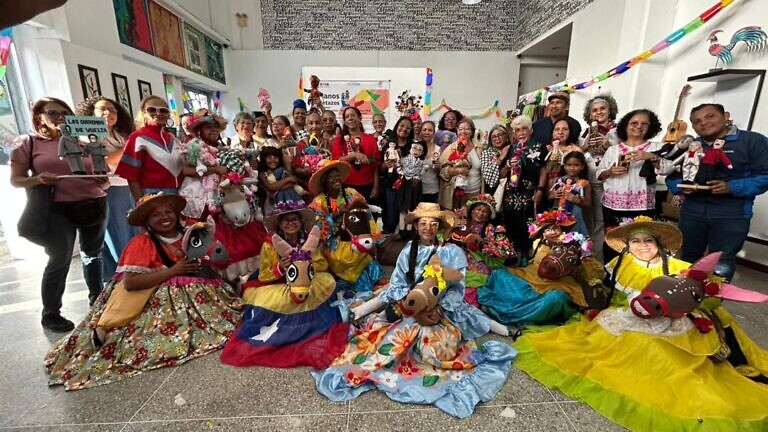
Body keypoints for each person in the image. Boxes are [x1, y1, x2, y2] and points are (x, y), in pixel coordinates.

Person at [513, 217, 768, 430]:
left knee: (668, 355)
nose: (642, 246)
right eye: (636, 241)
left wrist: (699, 299)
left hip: (675, 321)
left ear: (658, 244)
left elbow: (705, 297)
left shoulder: (679, 267)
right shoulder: (620, 263)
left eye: (648, 241)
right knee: (633, 345)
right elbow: (602, 288)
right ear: (628, 245)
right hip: (627, 314)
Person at [314, 202, 515, 419]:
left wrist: (439, 307)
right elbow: (398, 283)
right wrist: (411, 304)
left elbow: (458, 287)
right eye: (423, 223)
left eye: (433, 224)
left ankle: (502, 332)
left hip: (440, 308)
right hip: (411, 306)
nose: (428, 228)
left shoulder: (453, 252)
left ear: (439, 228)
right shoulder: (409, 250)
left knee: (438, 343)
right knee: (393, 340)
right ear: (417, 227)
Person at [44, 193, 242, 389]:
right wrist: (173, 271)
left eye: (168, 212)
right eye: (156, 214)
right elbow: (130, 283)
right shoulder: (141, 244)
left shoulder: (190, 231)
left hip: (198, 293)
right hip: (154, 298)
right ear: (146, 220)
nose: (164, 217)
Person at [10, 97, 109, 332]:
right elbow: (16, 180)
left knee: (93, 255)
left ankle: (97, 299)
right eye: (53, 113)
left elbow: (103, 179)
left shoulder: (85, 142)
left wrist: (102, 180)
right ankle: (51, 312)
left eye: (65, 113)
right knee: (59, 257)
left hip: (94, 203)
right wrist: (38, 179)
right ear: (39, 117)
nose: (60, 117)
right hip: (57, 208)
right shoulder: (28, 143)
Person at [219, 200, 347, 369]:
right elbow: (264, 274)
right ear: (279, 224)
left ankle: (309, 326)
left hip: (306, 281)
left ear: (301, 222)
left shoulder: (308, 241)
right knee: (279, 302)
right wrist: (280, 267)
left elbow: (322, 264)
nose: (291, 223)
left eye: (295, 219)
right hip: (276, 283)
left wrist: (305, 264)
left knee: (325, 284)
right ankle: (287, 333)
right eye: (286, 220)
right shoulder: (269, 244)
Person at [670, 104, 768, 281]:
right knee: (687, 258)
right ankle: (685, 296)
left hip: (732, 213)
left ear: (725, 116)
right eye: (697, 121)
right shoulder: (691, 145)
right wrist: (681, 186)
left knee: (721, 262)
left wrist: (733, 187)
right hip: (692, 211)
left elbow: (765, 175)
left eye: (710, 116)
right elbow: (672, 173)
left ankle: (714, 297)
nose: (704, 123)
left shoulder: (753, 141)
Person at [478, 210, 603, 325]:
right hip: (531, 275)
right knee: (499, 274)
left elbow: (591, 272)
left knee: (556, 299)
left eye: (556, 229)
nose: (553, 232)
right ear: (543, 232)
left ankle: (523, 317)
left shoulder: (570, 248)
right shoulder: (538, 243)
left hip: (557, 284)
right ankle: (501, 308)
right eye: (549, 229)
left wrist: (581, 261)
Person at [75, 96, 138, 281]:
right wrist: (128, 147)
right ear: (91, 114)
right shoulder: (87, 134)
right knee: (117, 233)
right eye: (102, 109)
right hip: (108, 188)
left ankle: (133, 269)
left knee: (131, 230)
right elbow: (104, 161)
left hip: (126, 185)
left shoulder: (120, 134)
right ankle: (122, 275)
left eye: (112, 109)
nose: (108, 113)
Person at [596, 109, 668, 261]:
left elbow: (668, 169)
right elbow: (599, 175)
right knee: (613, 240)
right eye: (634, 123)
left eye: (644, 124)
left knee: (640, 242)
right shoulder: (613, 150)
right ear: (625, 125)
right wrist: (610, 171)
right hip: (613, 206)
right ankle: (611, 271)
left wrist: (652, 157)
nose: (639, 126)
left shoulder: (656, 147)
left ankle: (635, 273)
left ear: (651, 127)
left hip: (642, 206)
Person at [308, 160, 385, 293]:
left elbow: (365, 214)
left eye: (337, 175)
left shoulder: (351, 193)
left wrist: (373, 236)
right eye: (331, 176)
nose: (336, 178)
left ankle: (374, 280)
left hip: (357, 238)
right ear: (324, 181)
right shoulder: (319, 201)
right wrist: (336, 214)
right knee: (344, 258)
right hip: (334, 243)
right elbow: (318, 227)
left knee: (365, 254)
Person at [448, 194, 515, 306]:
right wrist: (455, 220)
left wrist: (480, 244)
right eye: (478, 209)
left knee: (476, 275)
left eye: (485, 212)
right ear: (472, 210)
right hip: (458, 254)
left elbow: (492, 246)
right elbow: (449, 235)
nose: (480, 213)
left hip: (477, 257)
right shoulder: (464, 222)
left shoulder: (489, 228)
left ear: (488, 216)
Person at [499, 115, 547, 263]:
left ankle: (526, 253)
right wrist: (508, 165)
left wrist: (540, 190)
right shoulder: (511, 148)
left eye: (524, 129)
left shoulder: (539, 147)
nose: (521, 132)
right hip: (511, 193)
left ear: (530, 130)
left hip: (529, 192)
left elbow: (544, 170)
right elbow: (502, 174)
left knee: (527, 223)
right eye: (517, 130)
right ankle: (512, 253)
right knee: (510, 222)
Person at [117, 95, 183, 200]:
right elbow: (131, 175)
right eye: (152, 110)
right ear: (143, 113)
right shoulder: (137, 137)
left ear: (168, 115)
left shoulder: (172, 138)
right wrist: (140, 201)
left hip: (180, 192)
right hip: (152, 195)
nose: (158, 113)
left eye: (163, 111)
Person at [580, 95, 620, 261]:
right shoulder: (586, 133)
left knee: (604, 221)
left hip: (612, 181)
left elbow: (622, 150)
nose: (598, 112)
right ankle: (590, 256)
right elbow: (579, 154)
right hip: (591, 181)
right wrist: (585, 146)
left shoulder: (617, 131)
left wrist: (607, 143)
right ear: (589, 115)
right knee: (592, 220)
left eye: (602, 109)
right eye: (594, 110)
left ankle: (599, 260)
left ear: (610, 111)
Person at [178, 110, 230, 219]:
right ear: (199, 130)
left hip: (221, 193)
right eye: (208, 127)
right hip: (198, 195)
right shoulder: (193, 146)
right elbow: (187, 171)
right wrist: (216, 169)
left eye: (216, 127)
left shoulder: (221, 146)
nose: (214, 130)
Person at [330, 106, 380, 199]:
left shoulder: (370, 139)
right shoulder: (339, 140)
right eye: (347, 116)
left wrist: (376, 186)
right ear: (345, 122)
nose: (350, 118)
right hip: (345, 185)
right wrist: (353, 156)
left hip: (367, 186)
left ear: (360, 118)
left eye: (353, 115)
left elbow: (376, 165)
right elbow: (335, 161)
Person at [439, 118, 482, 211]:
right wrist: (457, 171)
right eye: (460, 129)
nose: (463, 131)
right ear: (457, 131)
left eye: (467, 129)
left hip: (476, 193)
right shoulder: (451, 148)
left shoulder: (479, 148)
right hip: (456, 196)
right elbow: (442, 172)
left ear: (472, 131)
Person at [381, 117, 414, 235]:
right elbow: (381, 168)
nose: (404, 129)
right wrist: (385, 165)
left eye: (408, 128)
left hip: (408, 187)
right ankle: (388, 237)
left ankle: (403, 238)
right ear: (396, 127)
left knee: (404, 215)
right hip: (391, 186)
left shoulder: (413, 147)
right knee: (391, 215)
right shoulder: (388, 145)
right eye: (402, 125)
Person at [549, 151, 590, 236]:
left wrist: (577, 200)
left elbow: (588, 203)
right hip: (557, 216)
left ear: (582, 166)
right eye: (569, 165)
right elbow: (549, 196)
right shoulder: (558, 180)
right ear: (564, 166)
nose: (572, 168)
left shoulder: (584, 183)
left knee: (575, 239)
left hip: (575, 217)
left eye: (576, 165)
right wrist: (552, 195)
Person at [480, 124, 510, 197]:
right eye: (494, 136)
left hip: (512, 191)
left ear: (506, 136)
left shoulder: (512, 149)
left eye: (500, 135)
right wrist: (501, 158)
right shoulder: (487, 153)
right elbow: (489, 179)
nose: (497, 138)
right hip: (495, 192)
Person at [419, 120, 440, 203]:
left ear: (434, 133)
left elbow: (440, 172)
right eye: (424, 130)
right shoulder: (415, 147)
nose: (427, 132)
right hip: (416, 188)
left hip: (432, 189)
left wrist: (437, 168)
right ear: (420, 132)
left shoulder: (438, 149)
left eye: (430, 130)